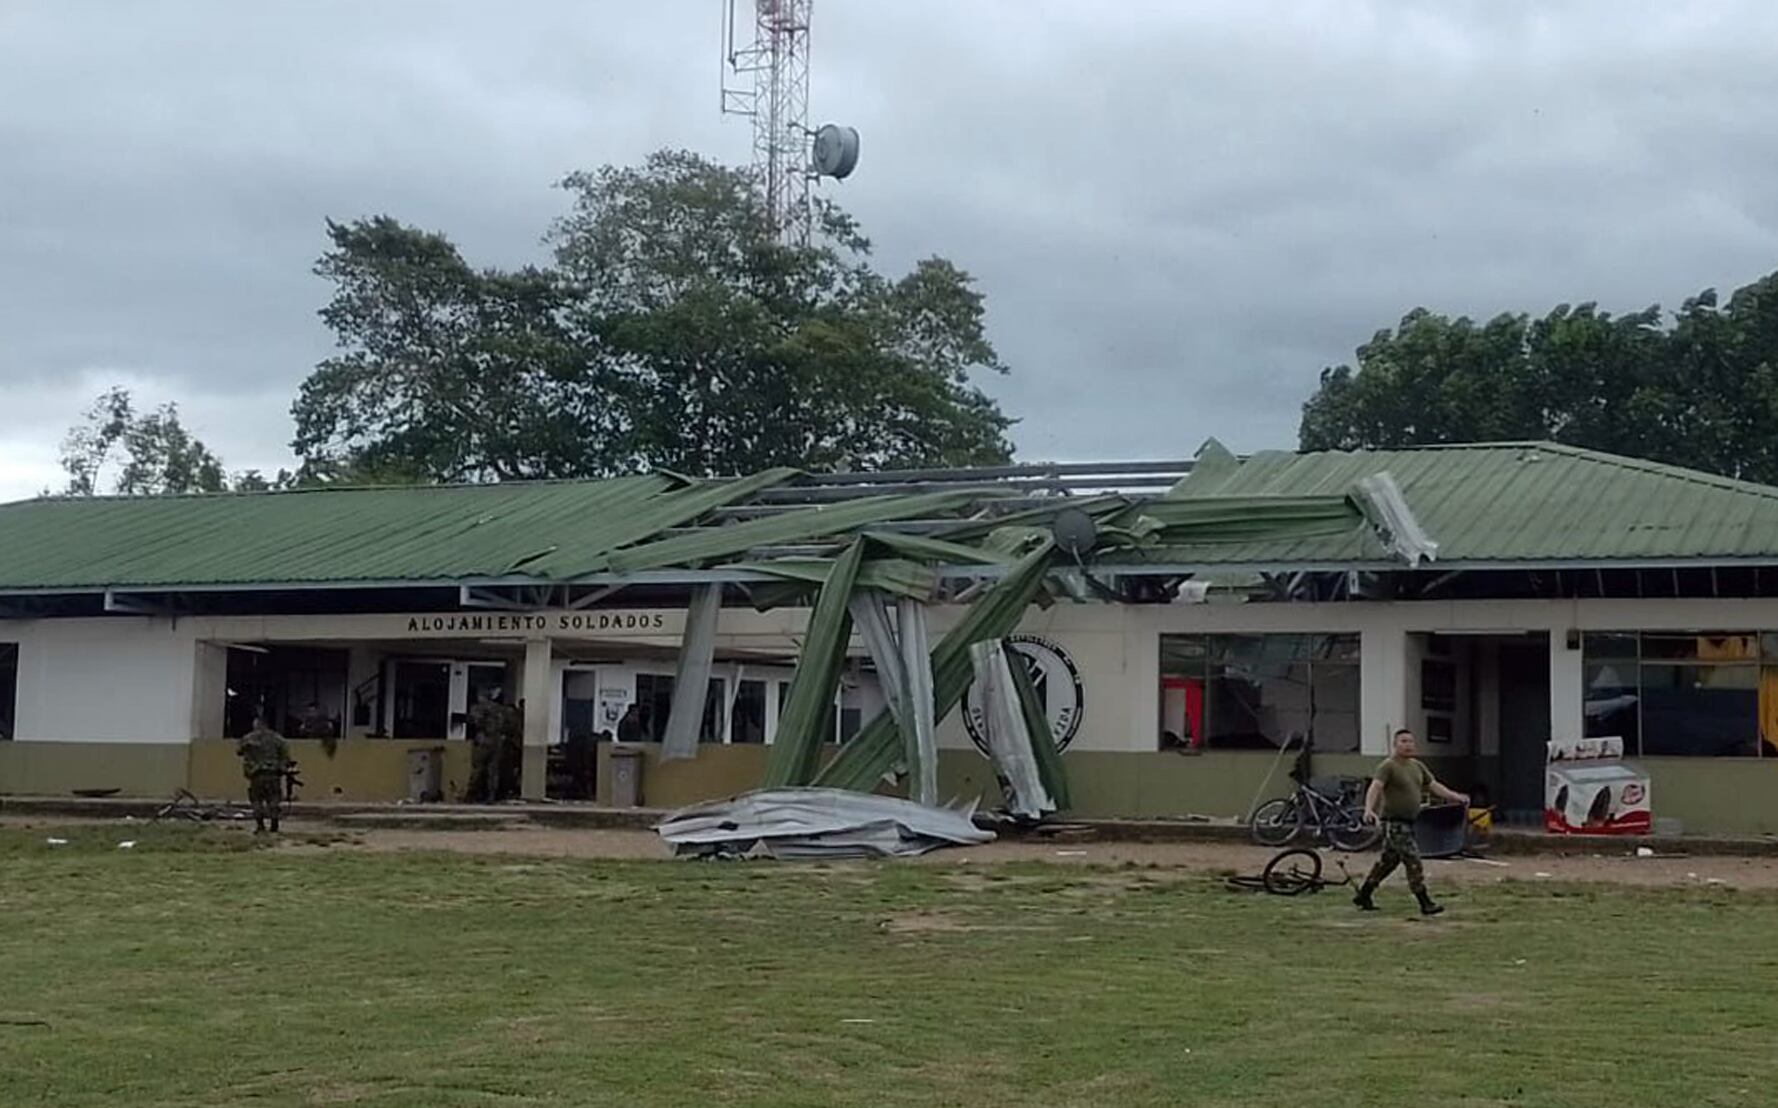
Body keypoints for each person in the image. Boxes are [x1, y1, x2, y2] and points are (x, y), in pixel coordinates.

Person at [1355, 728, 1468, 916]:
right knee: (1412, 858)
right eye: (1403, 741)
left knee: (1388, 862)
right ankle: (1425, 902)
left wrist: (1455, 797)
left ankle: (1364, 894)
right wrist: (1368, 809)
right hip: (1394, 823)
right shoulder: (1388, 766)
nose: (1408, 745)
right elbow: (1375, 787)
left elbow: (1433, 786)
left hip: (1409, 822)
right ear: (1395, 744)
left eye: (1411, 741)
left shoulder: (1417, 766)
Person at [236, 714, 291, 834]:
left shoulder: (248, 738)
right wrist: (282, 768)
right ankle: (274, 824)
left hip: (256, 774)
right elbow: (286, 756)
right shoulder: (277, 738)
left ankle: (260, 826)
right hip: (273, 774)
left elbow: (239, 751)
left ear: (257, 724)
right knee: (274, 799)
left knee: (256, 800)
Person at [467, 688, 508, 803]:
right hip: (498, 741)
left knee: (477, 768)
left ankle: (472, 795)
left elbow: (475, 722)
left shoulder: (480, 707)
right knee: (493, 770)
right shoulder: (501, 709)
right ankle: (491, 795)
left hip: (484, 739)